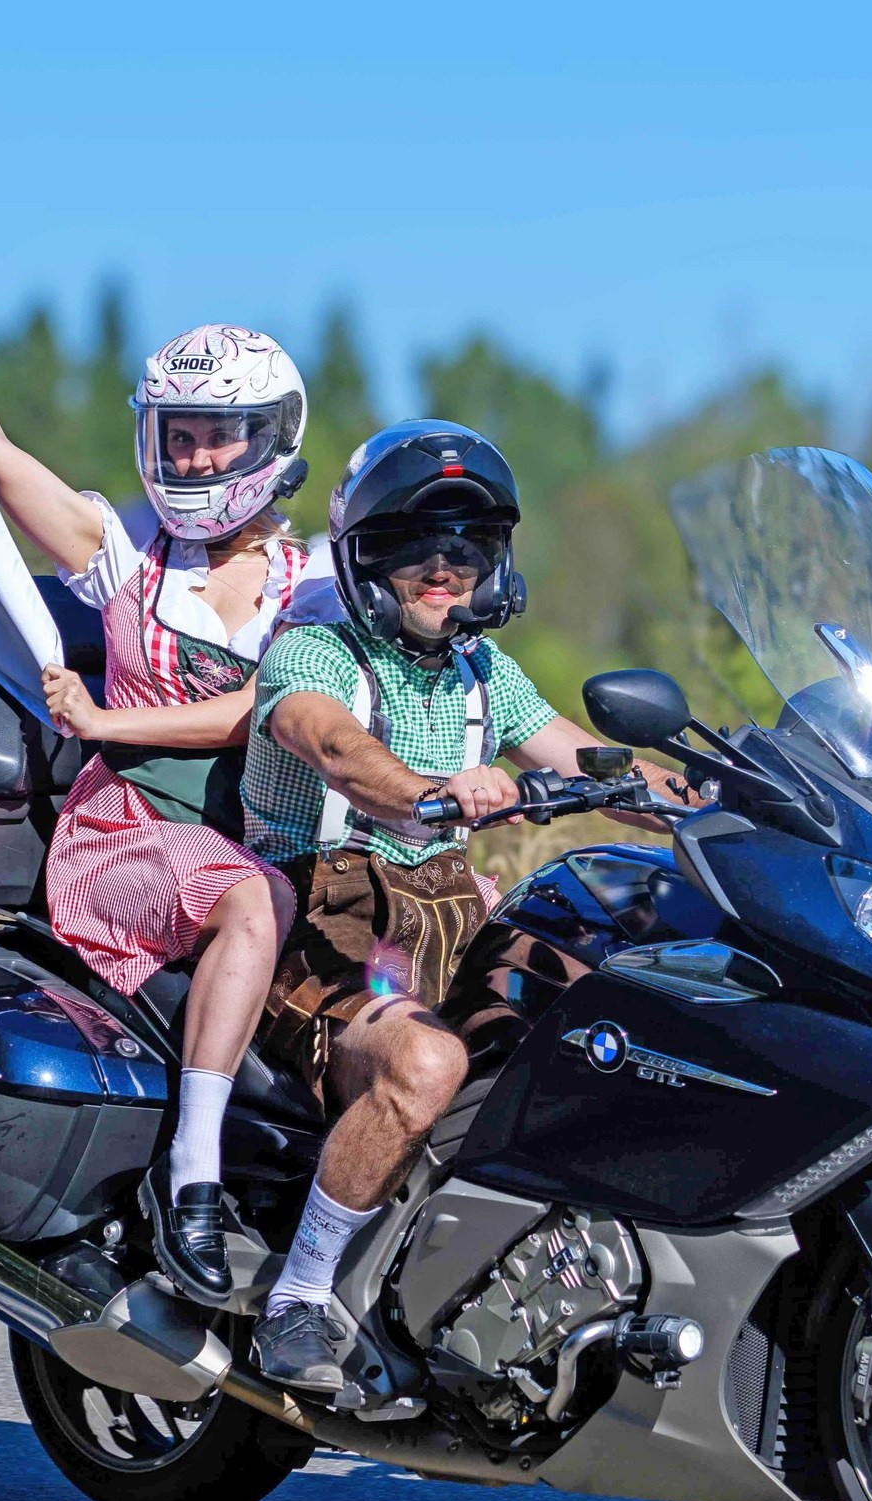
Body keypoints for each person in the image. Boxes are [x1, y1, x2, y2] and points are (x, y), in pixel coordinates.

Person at [0, 252, 327, 1308]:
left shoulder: (318, 588)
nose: (200, 454)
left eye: (221, 434)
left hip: (273, 839)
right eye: (180, 433)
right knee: (252, 904)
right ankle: (194, 1179)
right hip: (125, 833)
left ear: (272, 441)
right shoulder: (125, 560)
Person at [238, 420, 689, 1391]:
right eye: (415, 544)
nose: (442, 567)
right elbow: (334, 750)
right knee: (429, 1058)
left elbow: (588, 763)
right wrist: (432, 789)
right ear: (366, 554)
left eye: (465, 545)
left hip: (440, 927)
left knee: (625, 1003)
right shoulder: (312, 653)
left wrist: (726, 797)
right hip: (319, 942)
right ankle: (300, 1298)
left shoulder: (488, 675)